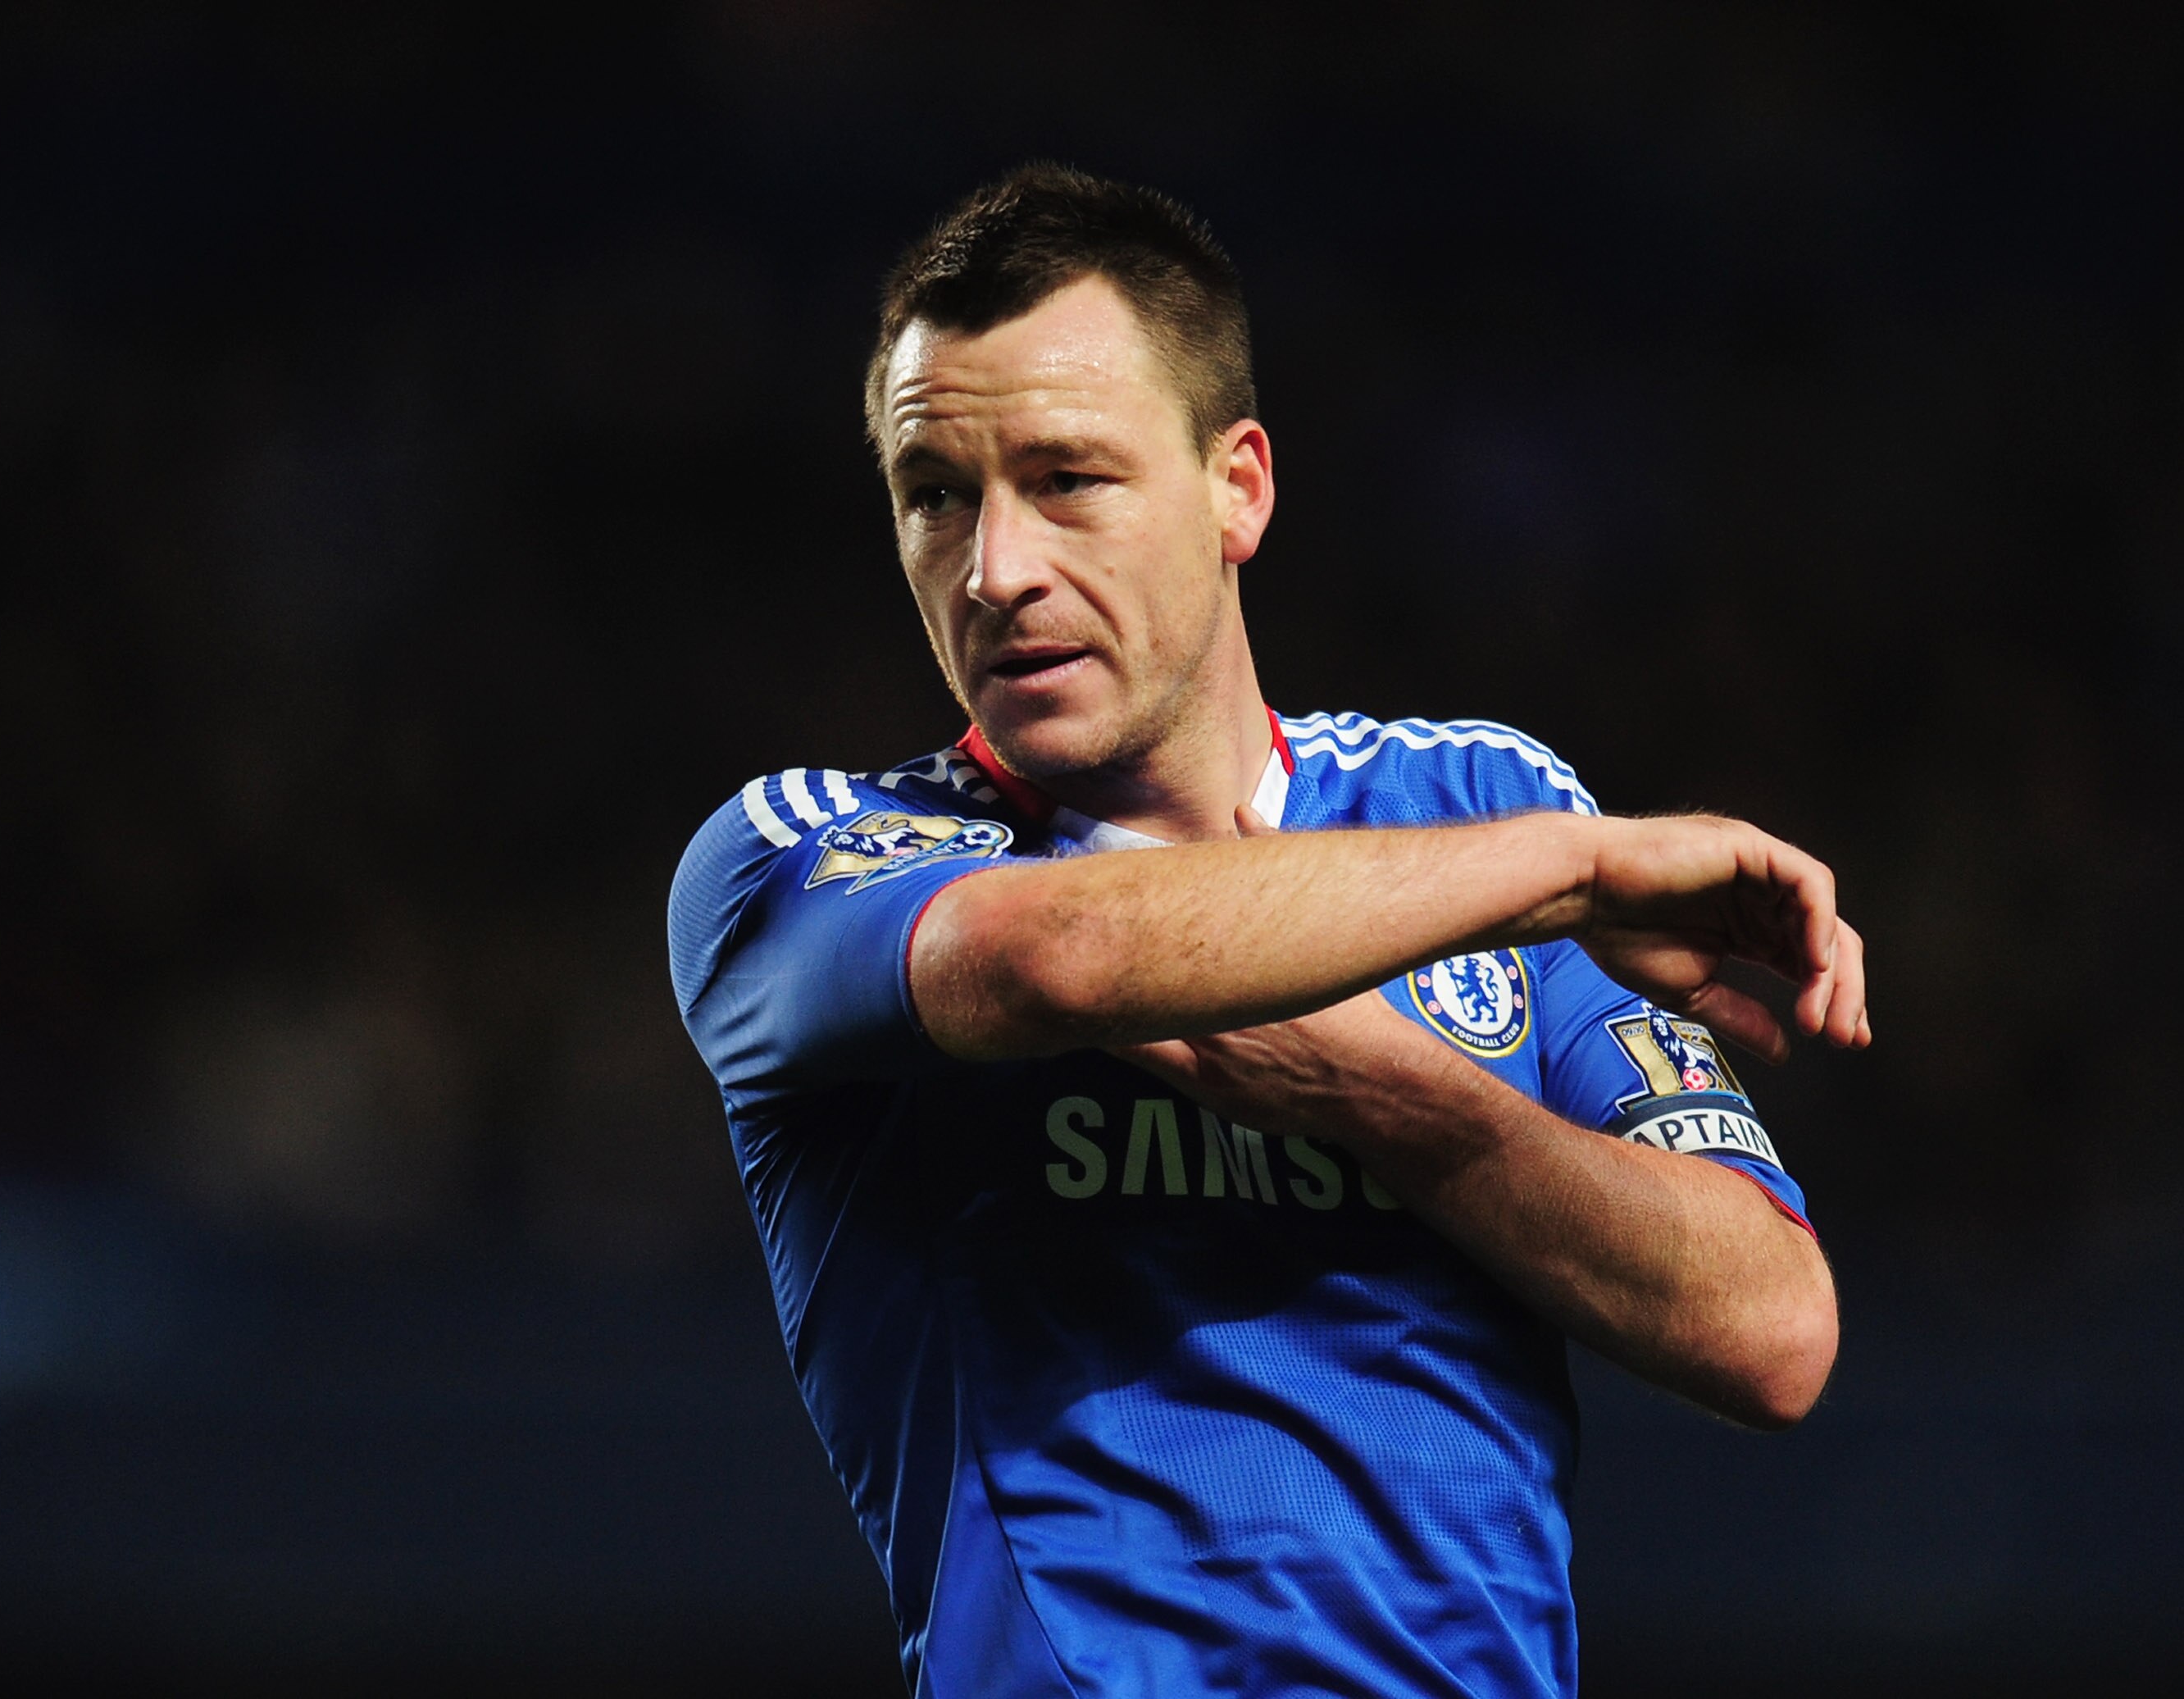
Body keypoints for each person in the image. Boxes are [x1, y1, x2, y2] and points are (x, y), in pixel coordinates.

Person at [667, 164, 1868, 1699]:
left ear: (1238, 486)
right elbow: (1055, 959)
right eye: (935, 496)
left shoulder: (1475, 802)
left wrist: (1378, 1089)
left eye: (1068, 480)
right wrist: (1572, 873)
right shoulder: (802, 858)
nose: (996, 571)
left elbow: (1769, 1328)